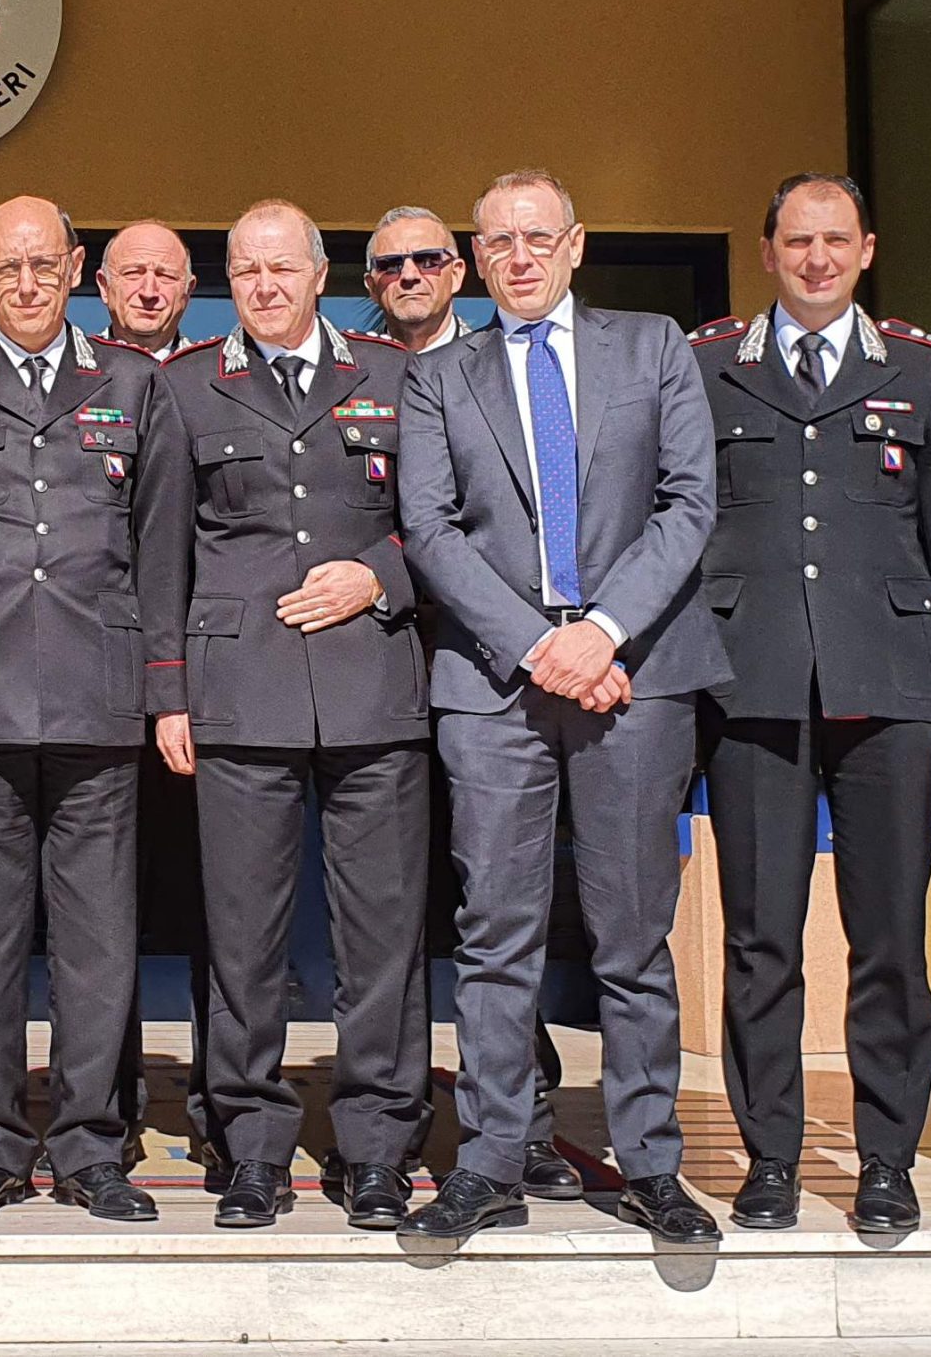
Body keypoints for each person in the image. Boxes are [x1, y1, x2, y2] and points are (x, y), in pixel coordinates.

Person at [399, 170, 725, 1246]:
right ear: (474, 259)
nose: (521, 256)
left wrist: (602, 632)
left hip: (634, 670)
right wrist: (543, 643)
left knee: (632, 932)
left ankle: (650, 1164)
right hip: (497, 682)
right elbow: (433, 529)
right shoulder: (439, 376)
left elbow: (689, 501)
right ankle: (489, 1158)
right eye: (498, 242)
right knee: (495, 933)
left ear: (576, 245)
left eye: (539, 236)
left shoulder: (653, 345)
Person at [690, 173, 931, 1236]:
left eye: (836, 240)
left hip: (891, 680)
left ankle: (885, 1157)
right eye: (797, 240)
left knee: (888, 938)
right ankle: (770, 1155)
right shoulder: (709, 364)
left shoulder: (919, 369)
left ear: (865, 248)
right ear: (767, 250)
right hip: (753, 680)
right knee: (760, 937)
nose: (817, 257)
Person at [142, 201, 431, 1231]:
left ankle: (378, 1146)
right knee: (243, 936)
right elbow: (159, 548)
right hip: (237, 691)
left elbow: (442, 520)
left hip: (373, 687)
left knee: (382, 937)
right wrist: (167, 688)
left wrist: (378, 573)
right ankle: (251, 1143)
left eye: (283, 266)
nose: (265, 284)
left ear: (320, 273)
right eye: (246, 269)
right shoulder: (182, 387)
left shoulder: (394, 375)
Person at [0, 195, 171, 1224]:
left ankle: (92, 1145)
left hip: (99, 696)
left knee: (98, 940)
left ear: (75, 267)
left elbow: (160, 540)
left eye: (43, 265)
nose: (24, 284)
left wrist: (159, 683)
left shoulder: (134, 383)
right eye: (5, 267)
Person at [368, 207, 579, 1204]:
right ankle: (408, 1112)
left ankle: (523, 1120)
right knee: (413, 912)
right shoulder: (360, 373)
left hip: (510, 676)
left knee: (504, 908)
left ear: (458, 267)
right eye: (387, 263)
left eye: (425, 257)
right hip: (390, 683)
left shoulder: (517, 358)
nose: (407, 273)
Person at [93, 220, 219, 1182]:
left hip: (206, 688)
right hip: (96, 685)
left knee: (224, 905)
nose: (146, 287)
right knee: (105, 912)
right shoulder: (79, 378)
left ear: (189, 287)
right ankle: (112, 1102)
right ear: (101, 284)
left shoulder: (218, 375)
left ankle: (222, 1103)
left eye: (163, 275)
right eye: (130, 272)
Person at [365, 207, 472, 354]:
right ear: (372, 287)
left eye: (427, 260)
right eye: (391, 264)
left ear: (456, 275)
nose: (409, 276)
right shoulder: (349, 371)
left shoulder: (494, 365)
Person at [96, 221, 198, 360]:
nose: (148, 293)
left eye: (166, 276)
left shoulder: (208, 373)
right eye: (133, 273)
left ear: (188, 290)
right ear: (104, 286)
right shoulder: (69, 370)